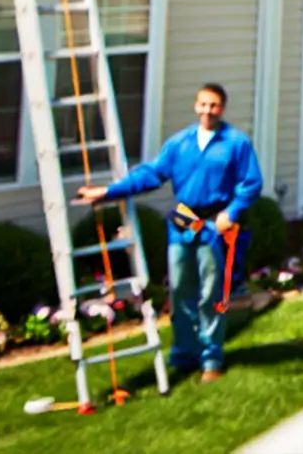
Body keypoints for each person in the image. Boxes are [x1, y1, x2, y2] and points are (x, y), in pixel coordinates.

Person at [78, 82, 263, 383]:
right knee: (179, 289)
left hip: (214, 223)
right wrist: (108, 191)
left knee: (210, 293)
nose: (208, 110)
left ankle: (211, 358)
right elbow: (151, 174)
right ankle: (184, 353)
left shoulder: (236, 143)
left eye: (214, 105)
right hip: (183, 219)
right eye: (203, 104)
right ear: (195, 106)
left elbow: (250, 183)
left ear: (222, 108)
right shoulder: (180, 143)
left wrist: (231, 212)